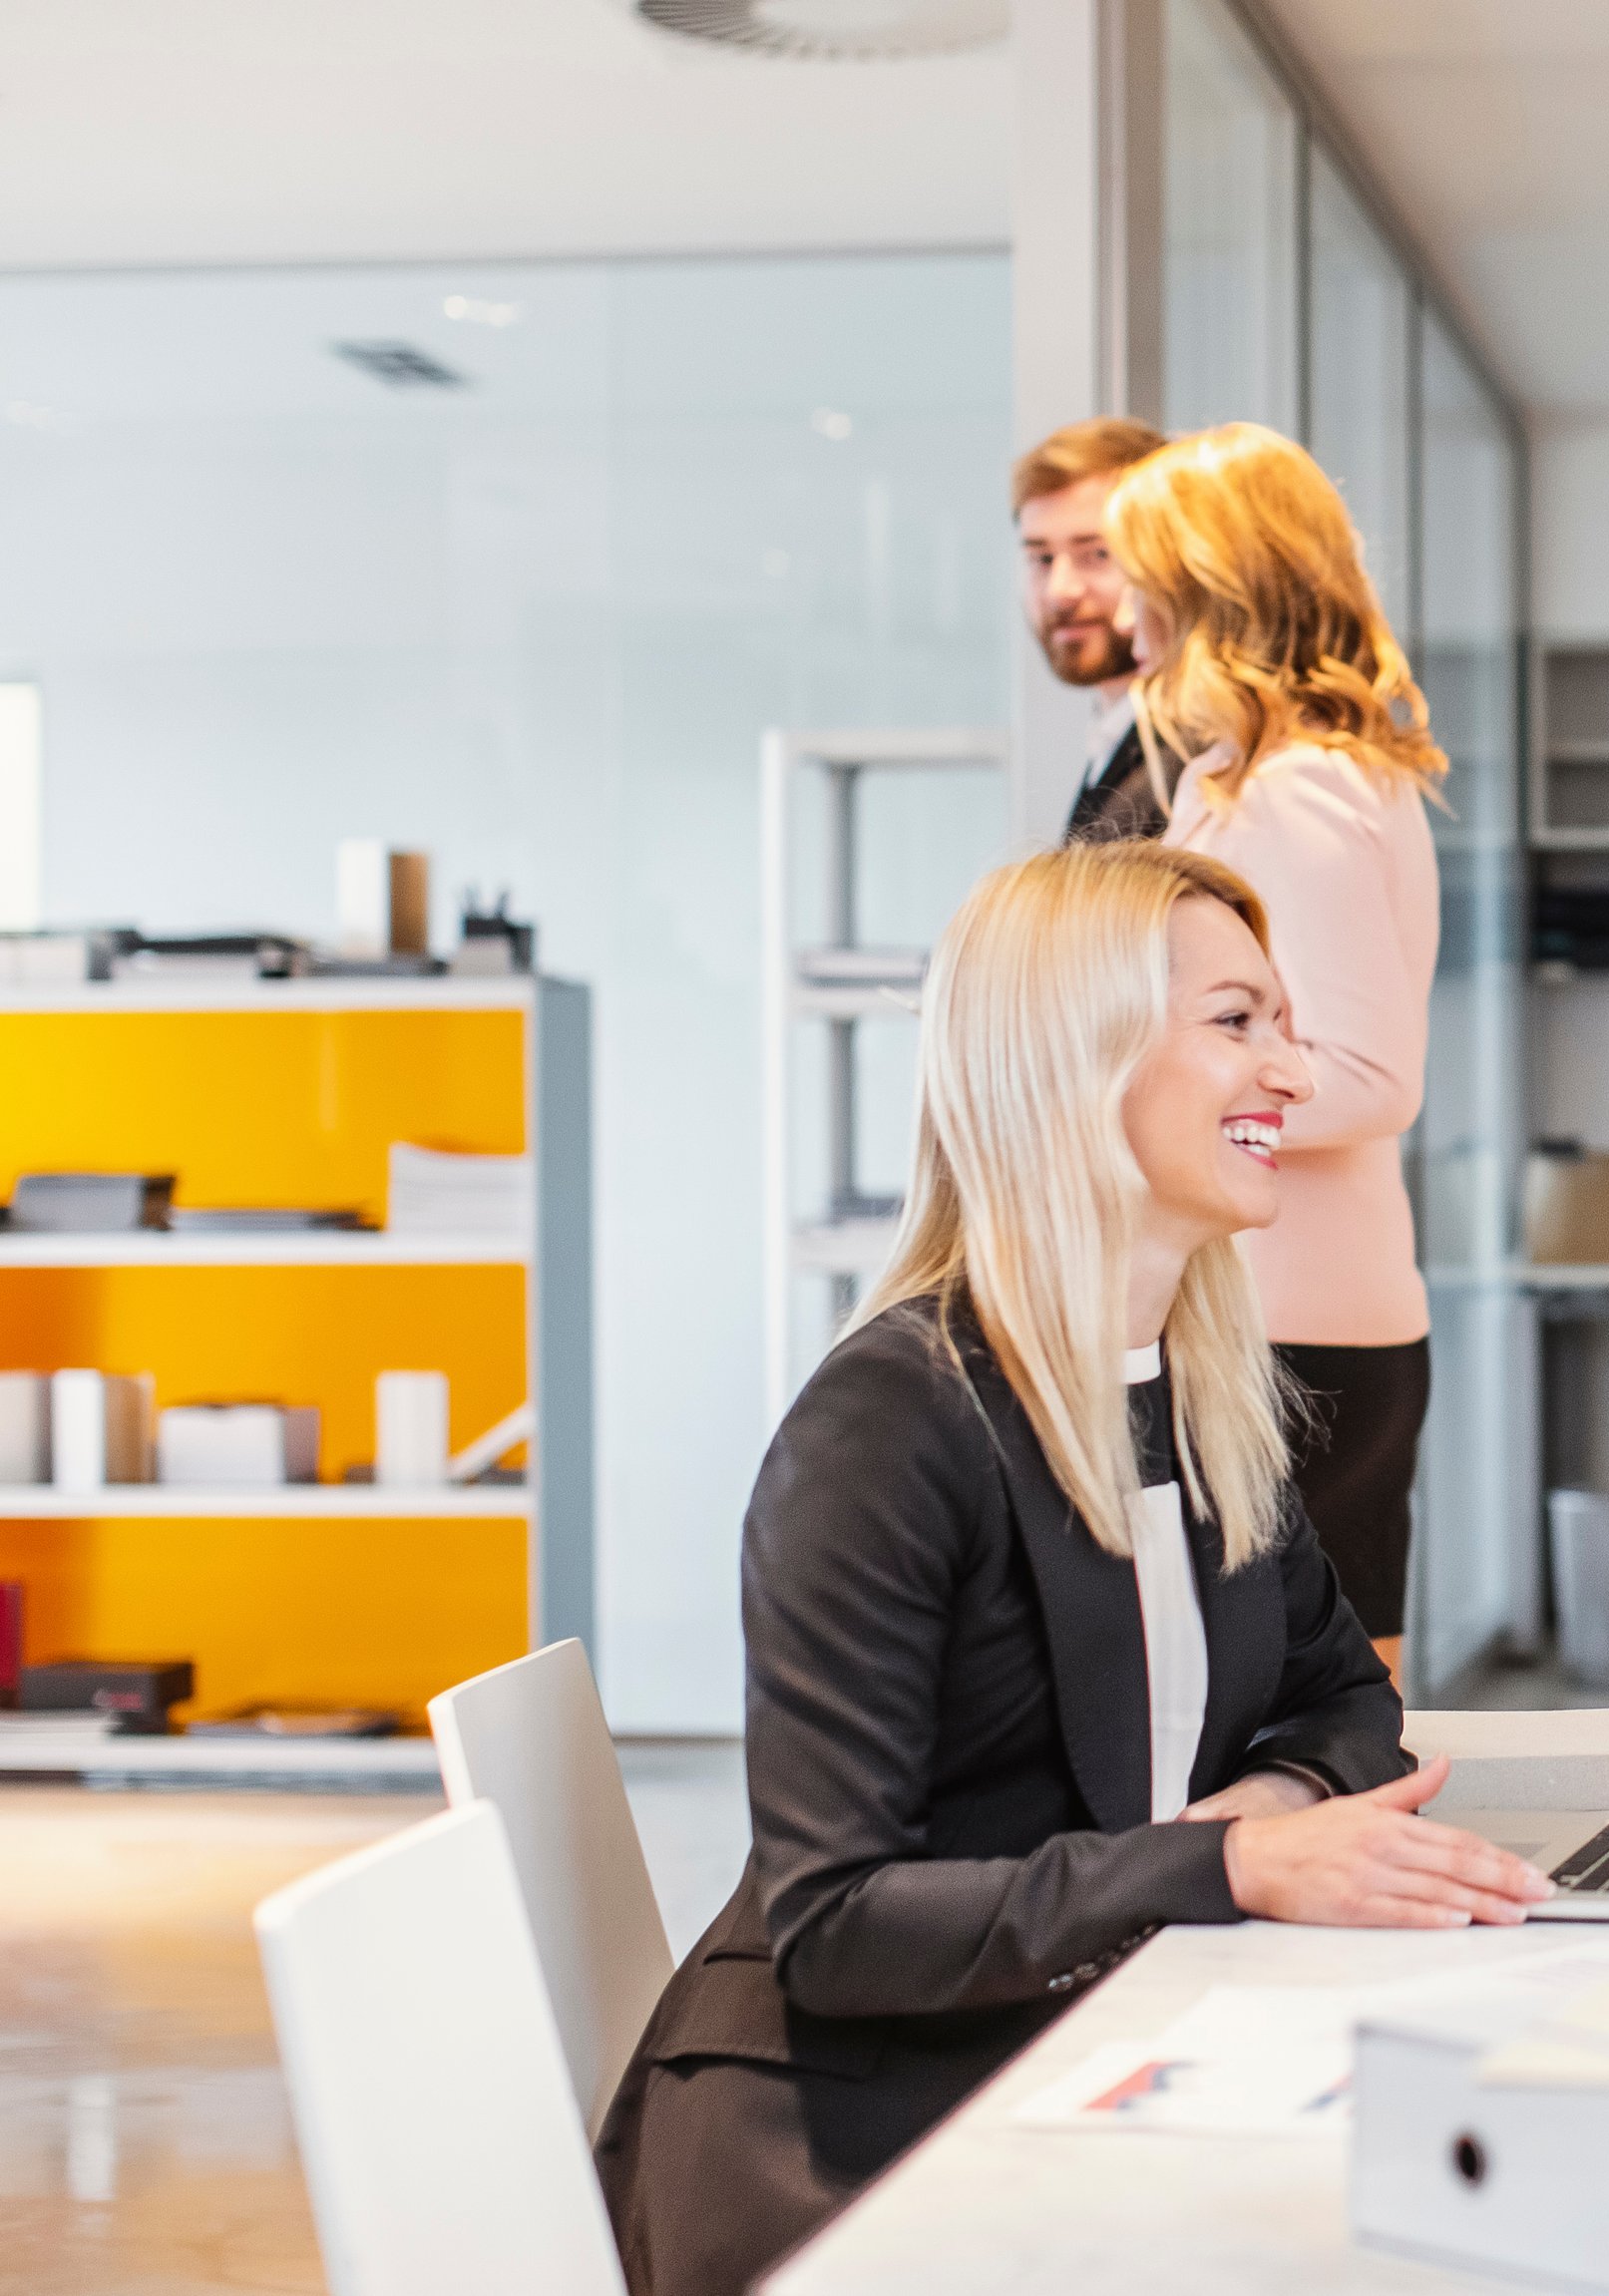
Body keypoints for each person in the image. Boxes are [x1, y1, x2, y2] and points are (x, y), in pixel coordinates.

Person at [595, 845, 1550, 2296]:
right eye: (1239, 1020)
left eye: (1284, 1021)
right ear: (1072, 1056)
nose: (1294, 1069)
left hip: (1072, 2047)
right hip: (840, 2144)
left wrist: (1264, 1813)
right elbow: (837, 1926)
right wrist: (1223, 1859)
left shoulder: (1199, 1390)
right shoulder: (893, 1421)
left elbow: (1350, 1703)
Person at [1101, 425, 1447, 1685]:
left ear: (1205, 585)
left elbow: (1366, 1073)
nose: (1119, 608)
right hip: (1287, 1312)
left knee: (1312, 1703)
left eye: (1133, 570)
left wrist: (1133, 1098)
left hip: (1295, 1326)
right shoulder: (1250, 775)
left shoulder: (1294, 789)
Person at [1013, 416, 1173, 842]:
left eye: (1097, 554)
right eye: (1042, 559)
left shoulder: (1194, 758)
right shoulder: (1115, 735)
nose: (1059, 591)